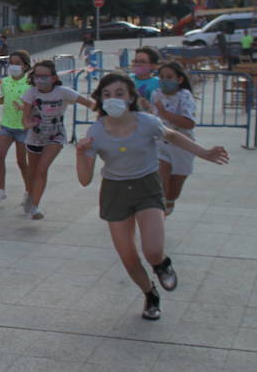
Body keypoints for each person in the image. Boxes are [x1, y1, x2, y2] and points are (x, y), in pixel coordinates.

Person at [76, 72, 229, 320]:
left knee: (153, 250)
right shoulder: (97, 131)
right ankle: (150, 293)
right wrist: (80, 154)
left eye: (119, 93)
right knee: (128, 257)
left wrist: (205, 153)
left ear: (130, 98)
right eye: (106, 95)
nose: (112, 99)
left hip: (146, 187)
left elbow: (172, 135)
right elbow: (84, 180)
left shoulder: (147, 122)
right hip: (115, 192)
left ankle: (162, 265)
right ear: (100, 100)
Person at [20, 58, 97, 220]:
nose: (40, 79)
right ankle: (29, 193)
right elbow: (25, 118)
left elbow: (90, 104)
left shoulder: (63, 92)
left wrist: (106, 113)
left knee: (42, 169)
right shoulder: (31, 93)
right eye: (37, 76)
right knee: (32, 172)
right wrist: (28, 123)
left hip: (55, 137)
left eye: (44, 76)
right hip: (35, 138)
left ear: (54, 77)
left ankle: (35, 206)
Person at [0, 48, 34, 207]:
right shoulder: (5, 81)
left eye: (17, 63)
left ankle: (28, 191)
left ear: (25, 66)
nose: (13, 66)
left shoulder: (30, 84)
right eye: (11, 63)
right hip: (7, 125)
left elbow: (35, 104)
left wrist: (24, 108)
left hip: (23, 127)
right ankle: (1, 189)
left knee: (21, 161)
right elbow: (6, 98)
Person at [152, 61, 199, 216]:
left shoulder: (185, 96)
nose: (165, 80)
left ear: (179, 79)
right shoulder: (156, 94)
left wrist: (165, 113)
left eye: (169, 77)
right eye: (162, 77)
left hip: (182, 145)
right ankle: (158, 212)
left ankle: (170, 202)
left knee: (175, 186)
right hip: (161, 143)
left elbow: (188, 123)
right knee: (160, 177)